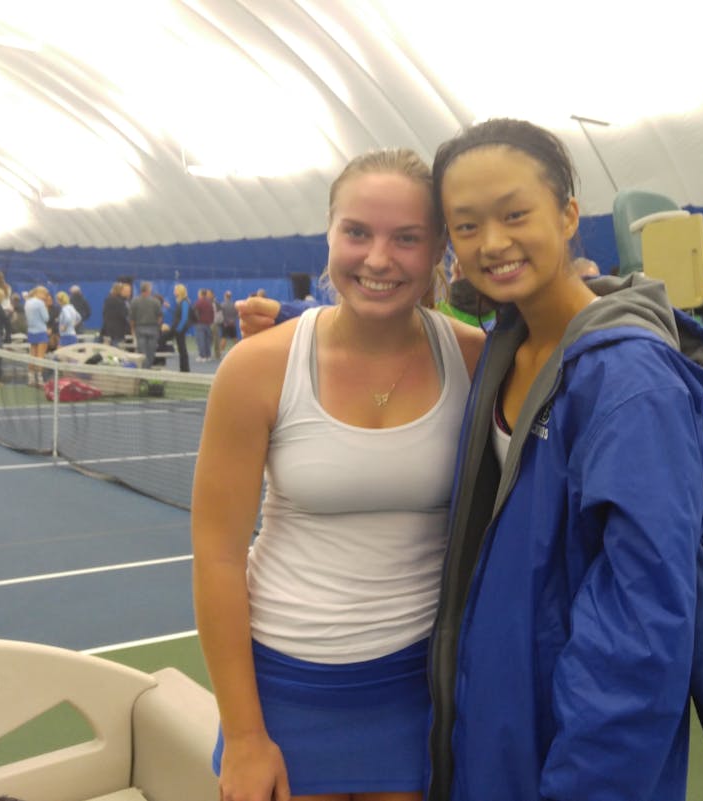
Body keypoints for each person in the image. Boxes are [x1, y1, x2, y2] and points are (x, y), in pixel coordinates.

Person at [427, 118, 703, 801]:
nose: (492, 243)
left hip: (572, 757)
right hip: (493, 733)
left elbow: (642, 628)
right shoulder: (505, 348)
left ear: (567, 215)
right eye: (465, 226)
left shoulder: (631, 384)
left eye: (514, 214)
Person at [190, 147, 483, 801]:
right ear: (329, 235)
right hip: (280, 697)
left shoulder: (474, 361)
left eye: (407, 238)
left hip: (416, 694)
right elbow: (216, 556)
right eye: (357, 232)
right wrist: (243, 735)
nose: (378, 259)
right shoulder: (257, 369)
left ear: (438, 249)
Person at [128, 281, 163, 368]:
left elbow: (132, 318)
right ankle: (148, 368)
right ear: (149, 290)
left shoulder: (134, 301)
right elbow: (160, 317)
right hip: (153, 328)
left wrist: (132, 329)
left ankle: (143, 369)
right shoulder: (156, 302)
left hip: (140, 328)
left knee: (142, 352)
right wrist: (157, 327)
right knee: (151, 352)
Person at [23, 286, 52, 385]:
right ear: (39, 293)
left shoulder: (27, 302)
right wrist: (46, 306)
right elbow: (46, 318)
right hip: (41, 332)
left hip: (31, 331)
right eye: (45, 294)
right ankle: (40, 379)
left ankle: (31, 378)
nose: (45, 296)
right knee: (40, 356)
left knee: (32, 356)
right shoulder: (40, 303)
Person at [101, 281, 131, 346]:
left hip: (108, 329)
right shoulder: (121, 302)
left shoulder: (107, 300)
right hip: (119, 331)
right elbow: (124, 315)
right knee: (117, 350)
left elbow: (104, 314)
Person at [192, 288, 215, 361]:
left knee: (201, 340)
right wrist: (211, 321)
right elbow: (212, 313)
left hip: (200, 324)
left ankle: (202, 356)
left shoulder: (198, 302)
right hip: (208, 324)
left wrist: (196, 321)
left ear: (201, 294)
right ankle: (208, 355)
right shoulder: (209, 303)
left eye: (198, 293)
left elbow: (194, 312)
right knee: (207, 341)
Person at [216, 290, 238, 358]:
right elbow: (236, 314)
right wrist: (233, 321)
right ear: (230, 296)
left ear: (225, 296)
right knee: (235, 338)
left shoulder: (222, 305)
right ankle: (239, 352)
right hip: (232, 324)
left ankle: (220, 353)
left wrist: (224, 322)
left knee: (223, 338)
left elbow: (221, 315)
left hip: (225, 324)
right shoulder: (234, 304)